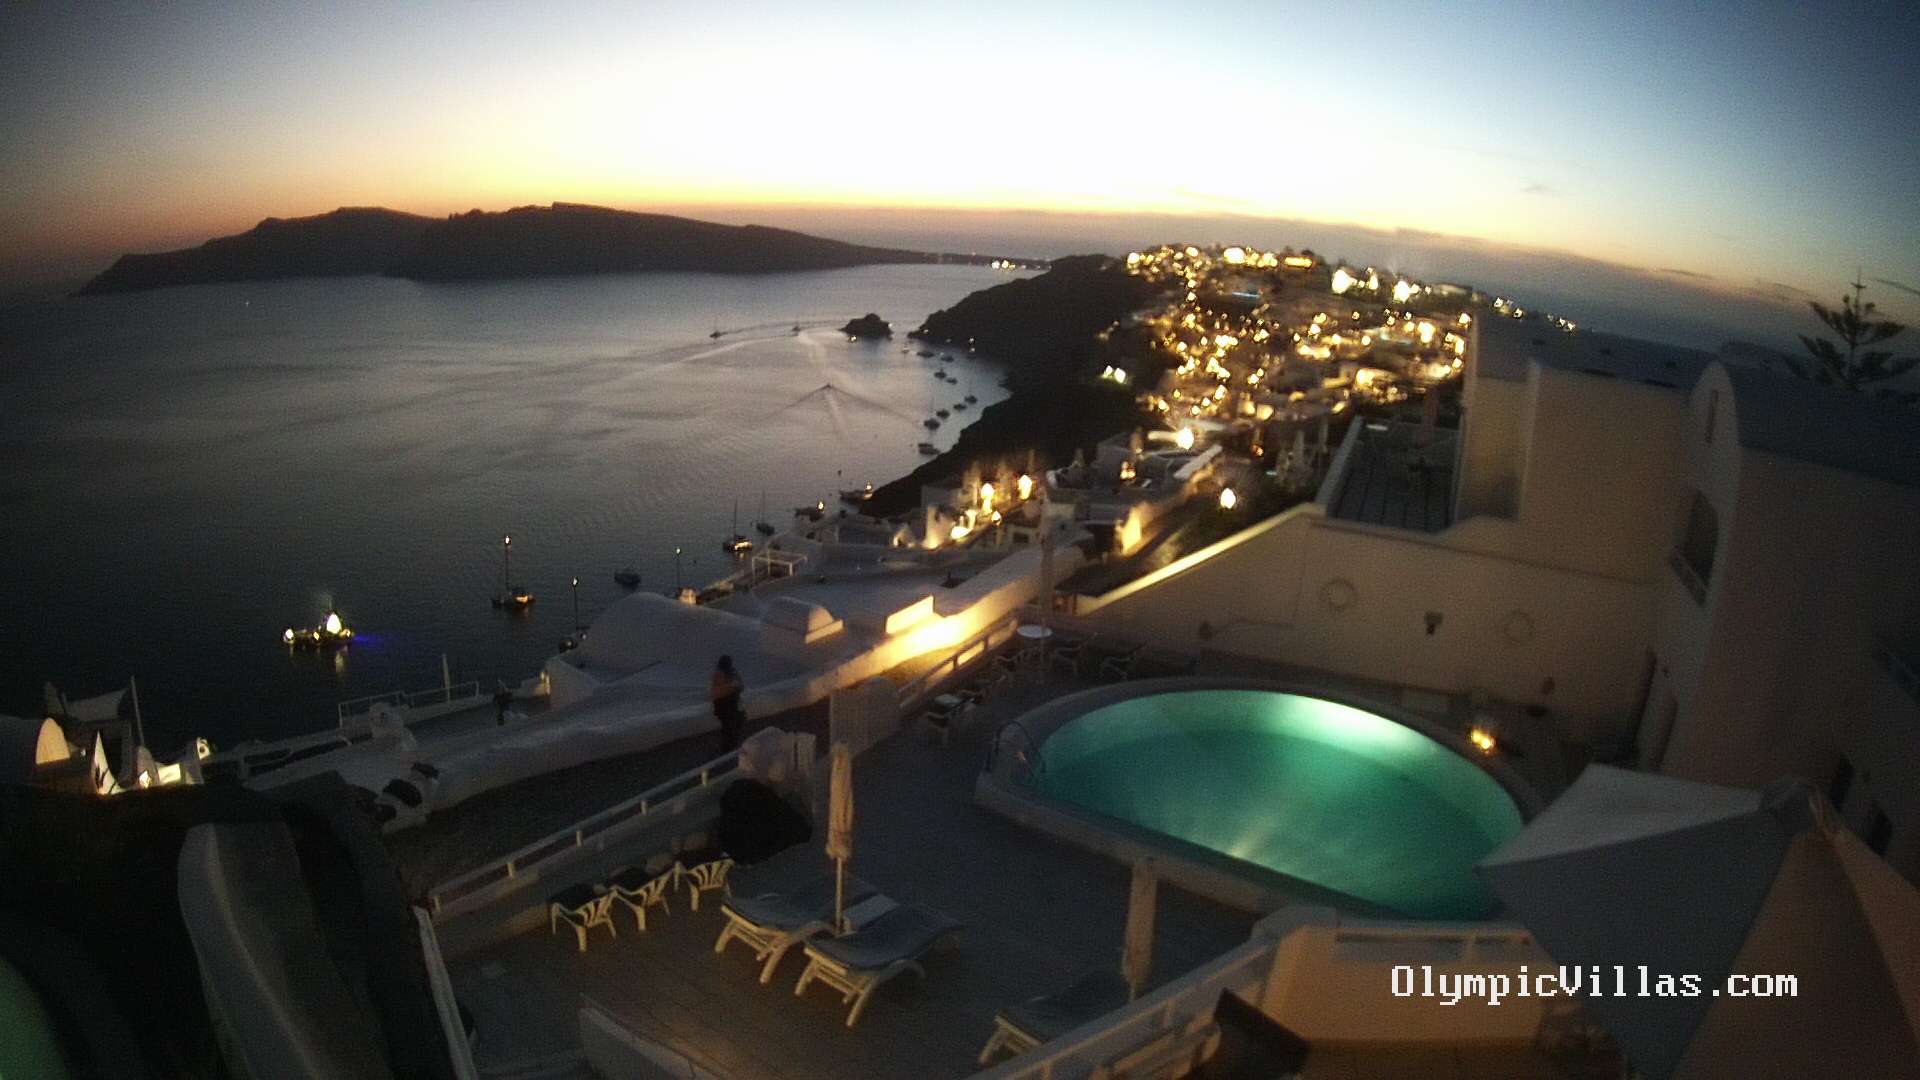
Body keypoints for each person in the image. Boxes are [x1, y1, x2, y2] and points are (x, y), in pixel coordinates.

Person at [710, 655, 745, 751]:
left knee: (735, 726)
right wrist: (733, 688)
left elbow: (740, 685)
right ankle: (727, 749)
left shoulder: (732, 673)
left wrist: (735, 687)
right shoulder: (720, 674)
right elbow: (719, 691)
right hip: (724, 707)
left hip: (732, 706)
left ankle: (731, 747)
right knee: (728, 730)